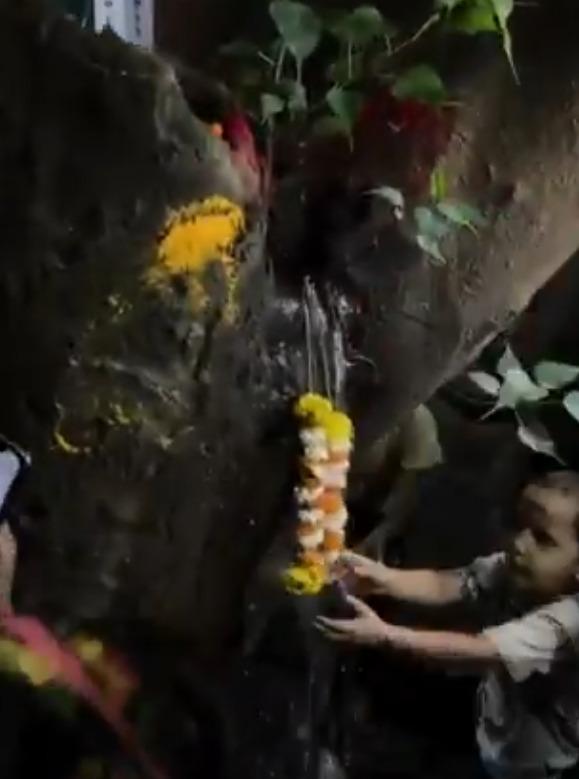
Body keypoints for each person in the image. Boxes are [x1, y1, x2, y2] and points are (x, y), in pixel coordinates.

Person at [316, 471, 579, 779]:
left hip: (534, 764)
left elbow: (480, 650)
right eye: (519, 524)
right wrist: (382, 578)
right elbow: (449, 584)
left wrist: (386, 635)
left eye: (543, 538)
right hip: (497, 718)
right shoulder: (513, 567)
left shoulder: (571, 620)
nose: (519, 543)